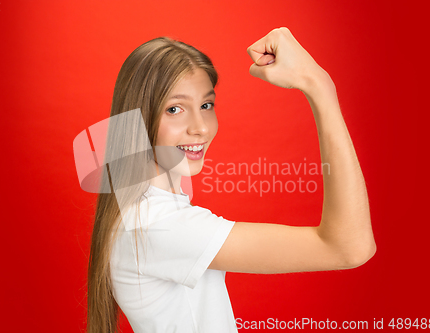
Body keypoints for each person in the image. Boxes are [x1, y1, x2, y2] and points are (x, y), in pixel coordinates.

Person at [86, 27, 376, 333]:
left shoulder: (146, 211)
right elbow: (349, 248)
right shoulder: (157, 224)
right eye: (174, 109)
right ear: (137, 116)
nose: (200, 128)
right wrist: (319, 86)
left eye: (206, 105)